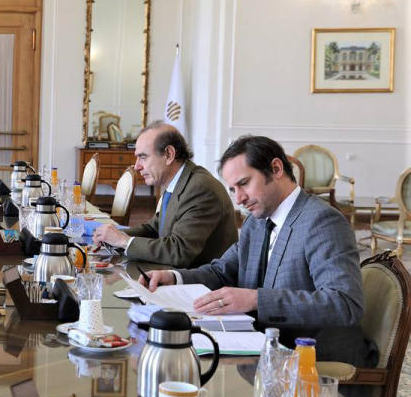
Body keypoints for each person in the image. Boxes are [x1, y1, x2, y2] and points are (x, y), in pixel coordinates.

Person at [140, 135, 377, 369]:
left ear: (275, 168)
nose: (239, 199)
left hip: (317, 367)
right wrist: (174, 277)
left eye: (243, 184)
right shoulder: (258, 219)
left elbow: (344, 303)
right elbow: (223, 271)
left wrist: (255, 299)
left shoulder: (321, 221)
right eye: (233, 189)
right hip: (262, 356)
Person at [92, 122, 237, 267]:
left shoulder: (200, 189)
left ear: (169, 154)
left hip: (202, 284)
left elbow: (179, 251)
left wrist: (123, 241)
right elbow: (154, 229)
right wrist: (112, 236)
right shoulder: (179, 181)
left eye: (143, 157)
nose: (137, 166)